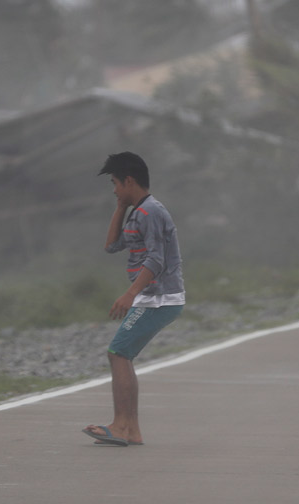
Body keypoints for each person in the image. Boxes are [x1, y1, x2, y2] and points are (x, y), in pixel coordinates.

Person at [83, 152, 185, 447]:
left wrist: (131, 294)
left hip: (159, 298)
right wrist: (120, 206)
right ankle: (130, 429)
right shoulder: (136, 211)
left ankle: (123, 427)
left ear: (129, 181)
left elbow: (156, 259)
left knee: (119, 354)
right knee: (121, 355)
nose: (114, 189)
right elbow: (112, 245)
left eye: (115, 184)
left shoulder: (151, 212)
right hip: (152, 297)